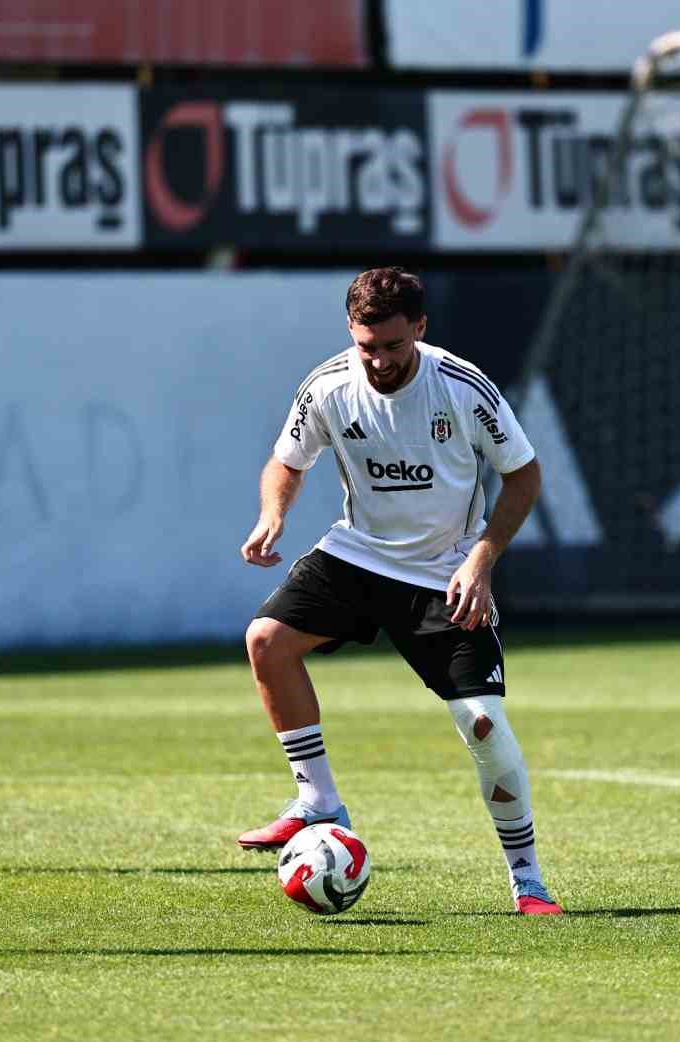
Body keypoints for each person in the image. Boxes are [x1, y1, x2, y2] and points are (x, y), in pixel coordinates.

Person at [237, 267, 561, 915]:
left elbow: (523, 477)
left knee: (484, 723)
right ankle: (319, 802)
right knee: (266, 640)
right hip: (358, 557)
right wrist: (273, 513)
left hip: (445, 574)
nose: (379, 360)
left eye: (391, 345)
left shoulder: (462, 388)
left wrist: (482, 559)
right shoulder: (329, 386)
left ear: (419, 328)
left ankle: (527, 879)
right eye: (366, 346)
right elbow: (286, 461)